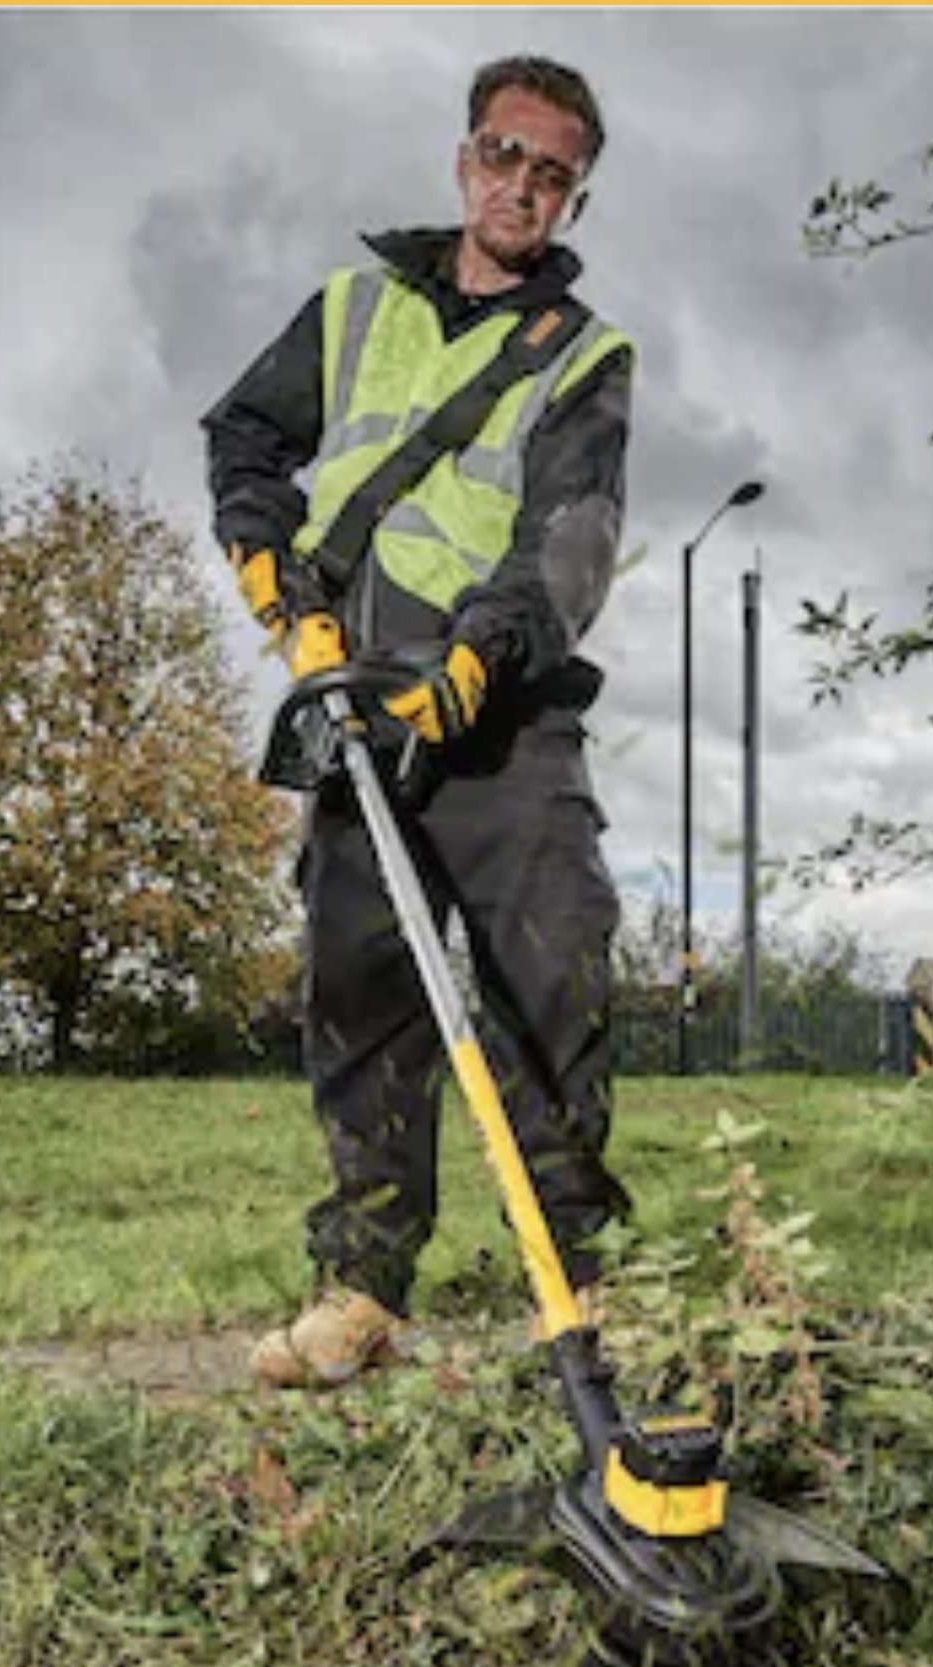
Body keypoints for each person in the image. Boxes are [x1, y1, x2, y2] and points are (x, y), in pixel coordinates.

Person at [202, 52, 634, 1387]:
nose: (523, 184)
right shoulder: (350, 307)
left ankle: (575, 1288)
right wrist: (282, 590)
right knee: (361, 993)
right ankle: (362, 1293)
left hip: (502, 716)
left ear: (572, 197)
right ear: (464, 159)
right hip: (355, 697)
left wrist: (474, 659)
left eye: (552, 171)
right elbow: (243, 444)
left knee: (547, 978)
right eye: (505, 153)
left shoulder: (588, 354)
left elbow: (569, 541)